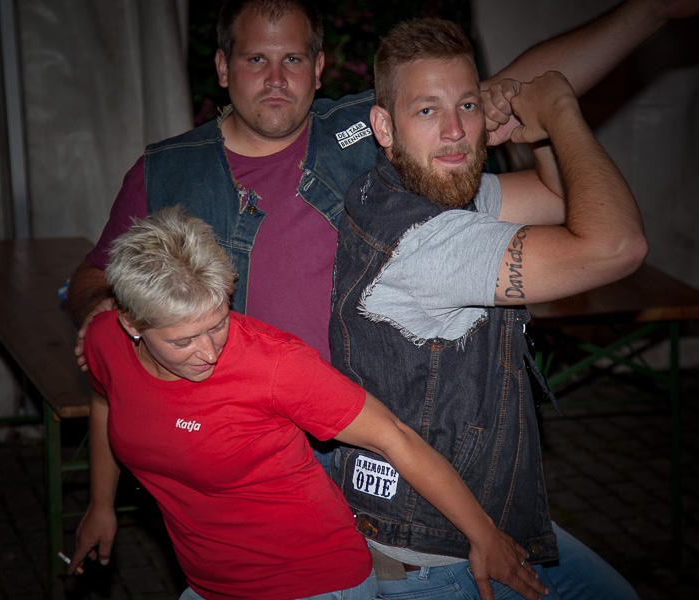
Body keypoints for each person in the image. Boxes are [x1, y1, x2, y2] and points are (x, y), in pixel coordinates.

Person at [66, 0, 695, 366]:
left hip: (364, 436)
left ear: (318, 68)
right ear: (223, 68)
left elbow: (501, 90)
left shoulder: (366, 131)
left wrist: (647, 11)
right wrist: (103, 315)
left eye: (292, 59)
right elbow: (95, 276)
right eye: (256, 59)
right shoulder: (166, 170)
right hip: (245, 445)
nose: (276, 78)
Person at [66, 206, 549, 600]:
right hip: (209, 584)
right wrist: (101, 505)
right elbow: (108, 398)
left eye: (218, 323)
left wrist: (484, 535)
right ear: (131, 325)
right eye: (183, 341)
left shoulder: (275, 364)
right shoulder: (105, 340)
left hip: (313, 581)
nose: (209, 352)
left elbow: (395, 437)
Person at [328, 17, 646, 600]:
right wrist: (561, 113)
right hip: (437, 554)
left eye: (468, 106)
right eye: (428, 110)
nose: (455, 131)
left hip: (480, 515)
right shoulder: (427, 242)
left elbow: (555, 198)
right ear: (384, 126)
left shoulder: (404, 189)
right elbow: (617, 245)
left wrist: (534, 135)